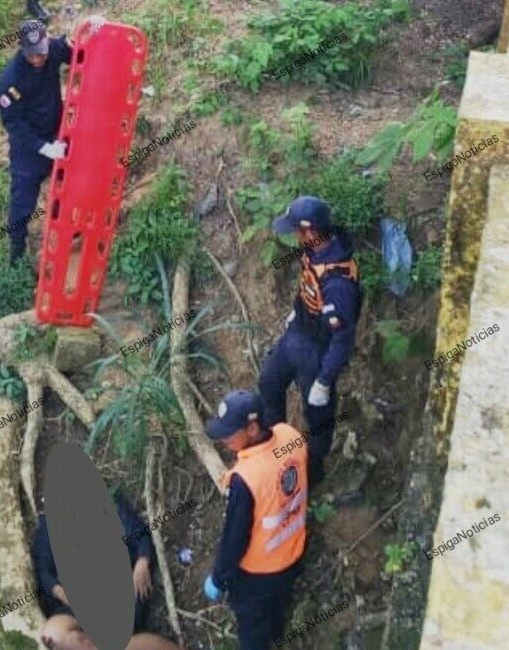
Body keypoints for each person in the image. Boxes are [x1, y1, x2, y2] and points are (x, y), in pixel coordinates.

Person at [258, 196, 361, 485]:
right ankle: (275, 447)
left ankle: (313, 471)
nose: (293, 236)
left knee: (317, 415)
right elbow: (306, 284)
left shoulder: (338, 283)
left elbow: (343, 337)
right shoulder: (314, 251)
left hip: (319, 350)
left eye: (296, 230)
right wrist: (296, 311)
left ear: (311, 232)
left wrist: (325, 380)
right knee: (269, 382)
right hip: (298, 333)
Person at [202, 390, 308, 650]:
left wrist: (219, 578)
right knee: (277, 611)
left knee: (253, 633)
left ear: (252, 428)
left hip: (258, 575)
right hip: (294, 554)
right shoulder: (290, 435)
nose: (224, 439)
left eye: (230, 432)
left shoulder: (245, 479)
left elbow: (234, 539)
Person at [32, 493, 153, 647]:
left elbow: (138, 531)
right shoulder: (48, 529)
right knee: (53, 634)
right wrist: (60, 592)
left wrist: (143, 562)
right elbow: (42, 569)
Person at [0, 19, 71, 265]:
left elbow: (80, 55)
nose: (38, 59)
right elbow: (14, 125)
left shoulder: (53, 50)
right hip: (29, 148)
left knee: (71, 182)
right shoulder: (9, 80)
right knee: (22, 201)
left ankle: (70, 230)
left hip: (57, 134)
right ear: (21, 49)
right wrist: (43, 148)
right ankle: (17, 257)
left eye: (41, 54)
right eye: (32, 56)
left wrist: (95, 31)